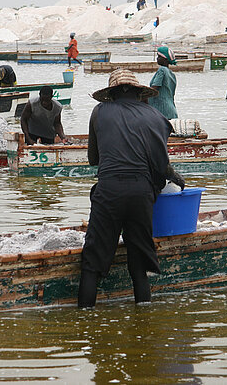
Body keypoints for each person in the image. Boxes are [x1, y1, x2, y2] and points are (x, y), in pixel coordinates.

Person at [78, 69, 185, 308]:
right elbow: (162, 165)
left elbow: (93, 159)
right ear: (138, 93)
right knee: (139, 262)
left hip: (110, 191)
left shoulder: (99, 112)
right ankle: (143, 322)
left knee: (92, 262)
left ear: (113, 93)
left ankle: (85, 324)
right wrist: (176, 177)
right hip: (141, 193)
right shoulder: (156, 116)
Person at [148, 46, 178, 119]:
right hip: (171, 110)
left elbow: (154, 88)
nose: (157, 58)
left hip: (161, 111)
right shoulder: (172, 74)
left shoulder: (162, 70)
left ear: (165, 59)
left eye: (159, 56)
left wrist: (141, 97)